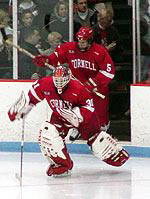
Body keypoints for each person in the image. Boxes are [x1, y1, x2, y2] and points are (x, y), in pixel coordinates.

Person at [8, 65, 129, 177]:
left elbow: (89, 107)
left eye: (62, 80)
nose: (59, 83)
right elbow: (31, 97)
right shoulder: (45, 83)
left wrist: (78, 117)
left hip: (83, 119)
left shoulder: (79, 88)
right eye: (57, 80)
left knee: (97, 140)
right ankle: (63, 166)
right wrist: (23, 108)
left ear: (68, 78)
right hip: (60, 117)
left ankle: (117, 154)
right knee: (48, 134)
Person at [32, 26, 114, 132]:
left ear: (90, 40)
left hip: (97, 89)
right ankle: (78, 126)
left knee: (100, 119)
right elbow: (56, 58)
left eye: (83, 41)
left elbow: (108, 72)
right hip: (78, 87)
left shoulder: (99, 51)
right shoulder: (69, 48)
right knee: (75, 110)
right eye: (79, 41)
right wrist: (47, 60)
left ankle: (102, 133)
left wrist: (93, 83)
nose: (80, 44)